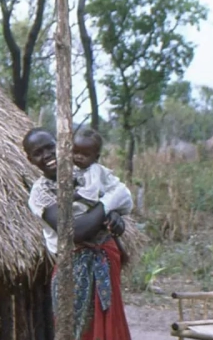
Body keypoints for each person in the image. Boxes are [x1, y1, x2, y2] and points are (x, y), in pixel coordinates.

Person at [24, 126, 133, 340]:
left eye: (50, 147)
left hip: (106, 258)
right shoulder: (40, 193)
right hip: (71, 266)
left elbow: (122, 198)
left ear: (61, 145)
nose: (47, 155)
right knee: (77, 330)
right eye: (38, 153)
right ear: (30, 160)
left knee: (110, 325)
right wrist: (107, 205)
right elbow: (75, 232)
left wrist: (115, 216)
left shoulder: (87, 169)